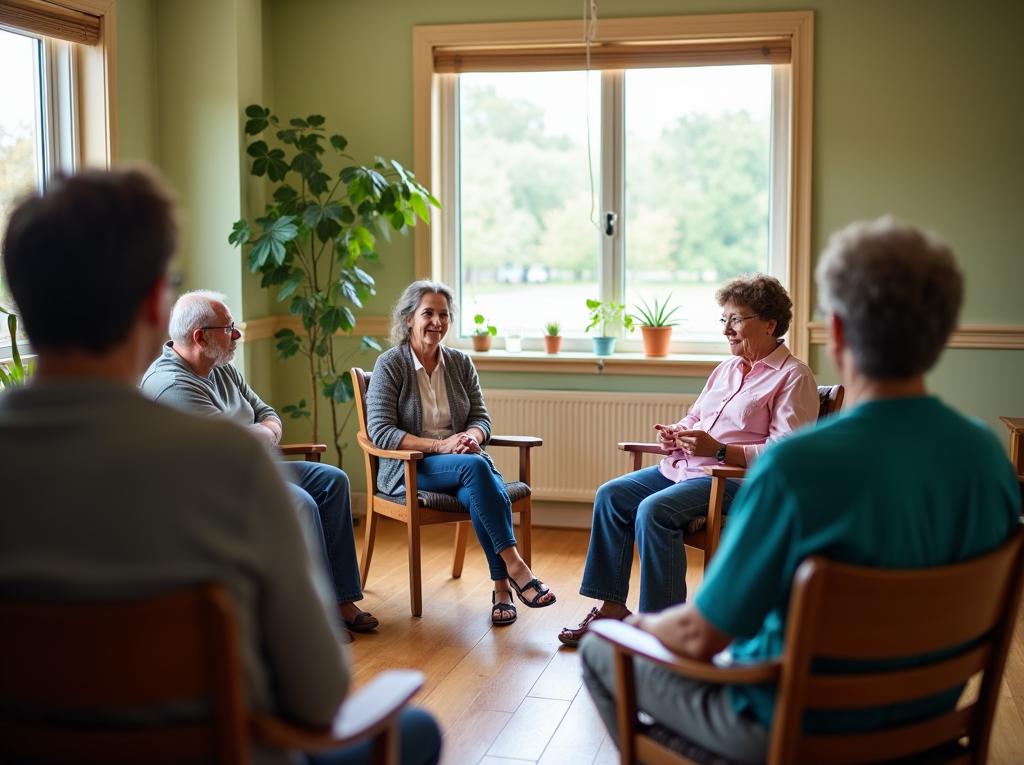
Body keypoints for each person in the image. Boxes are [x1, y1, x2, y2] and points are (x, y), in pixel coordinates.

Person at [0, 168, 440, 765]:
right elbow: (319, 696)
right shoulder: (226, 464)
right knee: (417, 731)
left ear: (22, 302)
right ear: (158, 305)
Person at [580, 217, 1021, 762]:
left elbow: (701, 639)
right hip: (924, 723)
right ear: (943, 329)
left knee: (604, 650)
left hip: (787, 727)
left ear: (835, 332)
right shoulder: (987, 456)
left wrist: (640, 626)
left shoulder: (794, 467)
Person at [559, 274, 819, 647]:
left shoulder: (794, 377)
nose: (727, 330)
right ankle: (612, 608)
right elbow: (696, 418)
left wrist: (717, 450)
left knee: (653, 511)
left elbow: (785, 456)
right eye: (724, 320)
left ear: (770, 323)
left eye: (737, 320)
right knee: (611, 494)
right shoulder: (725, 370)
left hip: (734, 482)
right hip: (687, 470)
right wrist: (676, 433)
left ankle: (661, 631)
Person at [140, 291, 377, 636]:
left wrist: (259, 434)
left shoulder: (221, 368)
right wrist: (259, 435)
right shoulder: (172, 385)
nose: (237, 335)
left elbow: (268, 415)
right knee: (301, 503)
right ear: (200, 337)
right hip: (210, 488)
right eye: (229, 328)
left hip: (250, 469)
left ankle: (340, 600)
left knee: (333, 481)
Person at [365, 279, 556, 625]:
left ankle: (502, 590)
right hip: (411, 467)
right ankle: (514, 571)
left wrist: (470, 435)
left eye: (443, 314)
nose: (436, 322)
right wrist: (441, 445)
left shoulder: (459, 363)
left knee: (474, 485)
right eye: (428, 313)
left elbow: (481, 417)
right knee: (476, 469)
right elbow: (380, 432)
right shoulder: (390, 365)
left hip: (459, 464)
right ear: (409, 318)